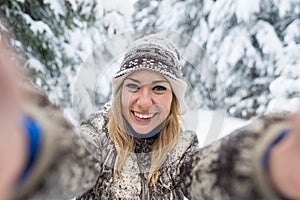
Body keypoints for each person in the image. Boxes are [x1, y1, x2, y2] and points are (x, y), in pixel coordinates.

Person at [0, 31, 300, 200]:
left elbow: (206, 173)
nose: (144, 101)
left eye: (159, 88)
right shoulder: (96, 136)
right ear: (119, 93)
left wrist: (268, 162)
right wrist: (31, 148)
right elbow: (69, 159)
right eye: (133, 86)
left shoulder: (181, 148)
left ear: (173, 99)